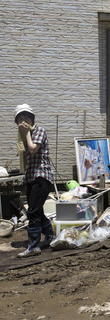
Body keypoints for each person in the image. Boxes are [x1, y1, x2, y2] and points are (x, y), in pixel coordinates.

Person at [14, 104, 55, 258]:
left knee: (32, 212)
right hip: (31, 178)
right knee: (36, 210)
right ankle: (50, 237)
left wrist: (26, 134)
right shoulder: (24, 135)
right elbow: (24, 156)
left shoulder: (38, 131)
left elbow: (32, 149)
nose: (23, 121)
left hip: (41, 177)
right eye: (20, 119)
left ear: (32, 119)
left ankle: (33, 246)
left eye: (26, 117)